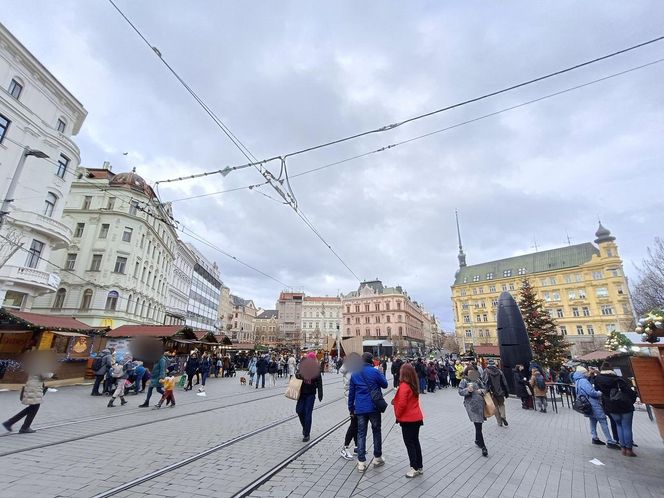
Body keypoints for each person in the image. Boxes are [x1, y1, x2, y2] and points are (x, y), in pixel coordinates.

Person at [348, 352, 388, 472]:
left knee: (361, 434)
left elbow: (351, 394)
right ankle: (377, 457)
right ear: (371, 361)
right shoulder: (375, 372)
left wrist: (351, 408)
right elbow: (385, 385)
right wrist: (381, 372)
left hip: (360, 408)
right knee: (376, 431)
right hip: (374, 408)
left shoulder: (355, 373)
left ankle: (361, 462)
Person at [3, 350, 54, 434]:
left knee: (32, 408)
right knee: (34, 408)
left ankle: (11, 423)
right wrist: (52, 374)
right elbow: (45, 374)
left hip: (33, 387)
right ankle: (23, 427)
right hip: (35, 388)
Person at [594, 361, 637, 456]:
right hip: (624, 405)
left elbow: (597, 390)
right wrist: (632, 400)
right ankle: (629, 449)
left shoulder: (598, 379)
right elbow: (629, 392)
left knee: (618, 425)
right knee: (626, 427)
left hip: (610, 405)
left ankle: (622, 448)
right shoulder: (618, 379)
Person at [573, 366, 620, 448]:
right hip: (592, 403)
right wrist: (599, 393)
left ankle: (594, 437)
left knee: (593, 420)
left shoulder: (577, 381)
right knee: (602, 420)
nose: (587, 373)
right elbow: (591, 392)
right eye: (586, 372)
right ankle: (610, 441)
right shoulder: (584, 381)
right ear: (583, 373)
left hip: (586, 403)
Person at [393, 363, 424, 478]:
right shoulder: (413, 385)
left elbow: (402, 404)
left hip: (408, 419)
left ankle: (414, 467)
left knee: (409, 443)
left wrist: (397, 415)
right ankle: (419, 466)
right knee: (415, 442)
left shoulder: (404, 386)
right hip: (416, 418)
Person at [458, 365, 488, 457]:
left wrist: (481, 391)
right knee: (478, 424)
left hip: (480, 405)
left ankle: (477, 440)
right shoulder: (464, 381)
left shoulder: (478, 380)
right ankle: (483, 447)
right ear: (467, 373)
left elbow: (485, 388)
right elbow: (460, 391)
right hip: (471, 406)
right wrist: (468, 390)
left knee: (479, 425)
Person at [295, 352, 323, 442]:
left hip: (310, 394)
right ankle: (305, 427)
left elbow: (319, 382)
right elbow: (297, 375)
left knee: (308, 413)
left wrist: (320, 394)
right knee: (299, 410)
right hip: (302, 393)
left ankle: (306, 434)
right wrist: (298, 375)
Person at [339, 352, 362, 460]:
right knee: (354, 423)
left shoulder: (351, 369)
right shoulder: (352, 370)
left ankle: (357, 446)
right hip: (352, 400)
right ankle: (345, 448)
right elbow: (352, 386)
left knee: (356, 423)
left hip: (354, 399)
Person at [483, 358, 509, 426]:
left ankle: (499, 422)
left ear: (488, 364)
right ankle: (503, 416)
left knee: (495, 407)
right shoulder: (499, 371)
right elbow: (504, 382)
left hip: (492, 393)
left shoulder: (486, 371)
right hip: (500, 392)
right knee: (502, 404)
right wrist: (506, 392)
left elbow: (484, 382)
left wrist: (485, 392)